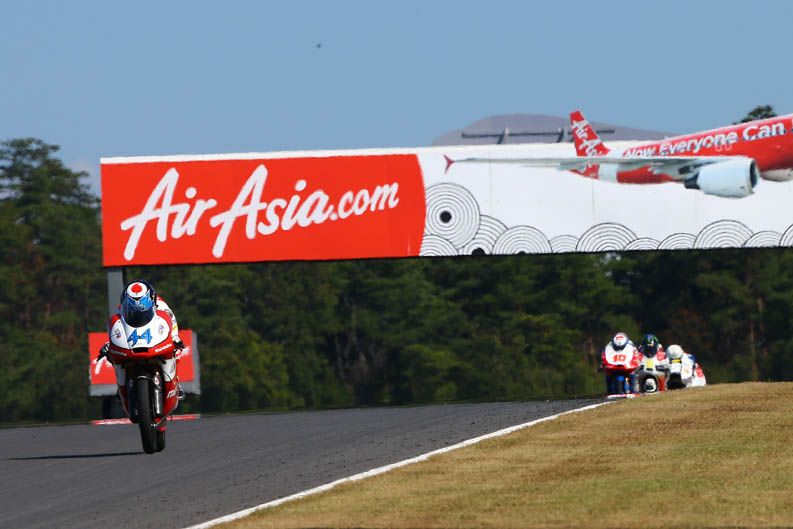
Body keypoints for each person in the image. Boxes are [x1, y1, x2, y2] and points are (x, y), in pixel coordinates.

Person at [98, 279, 186, 408]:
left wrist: (174, 338)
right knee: (111, 355)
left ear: (151, 300)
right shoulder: (123, 310)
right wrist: (109, 344)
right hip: (133, 341)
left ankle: (174, 383)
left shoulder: (163, 308)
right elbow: (117, 331)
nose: (137, 307)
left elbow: (171, 324)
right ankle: (121, 386)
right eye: (132, 304)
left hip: (154, 338)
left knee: (176, 352)